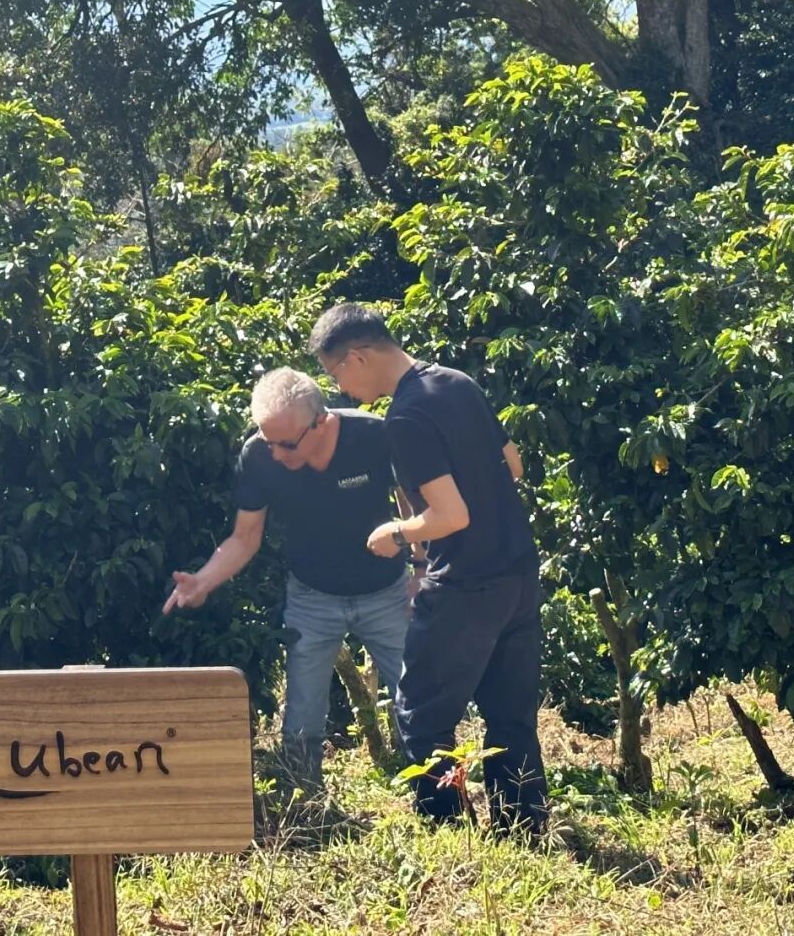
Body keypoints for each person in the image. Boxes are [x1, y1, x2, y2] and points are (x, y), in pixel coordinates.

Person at [309, 304, 547, 837]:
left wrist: (396, 533)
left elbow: (450, 515)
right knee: (511, 715)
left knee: (421, 715)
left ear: (357, 358)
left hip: (465, 582)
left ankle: (449, 834)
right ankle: (522, 830)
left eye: (335, 373)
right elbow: (513, 466)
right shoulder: (457, 382)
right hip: (516, 571)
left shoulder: (407, 416)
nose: (340, 389)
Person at [163, 366, 414, 783]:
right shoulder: (259, 456)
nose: (276, 454)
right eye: (268, 441)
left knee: (419, 703)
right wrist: (202, 581)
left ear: (321, 421)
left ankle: (438, 800)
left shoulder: (373, 435)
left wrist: (422, 570)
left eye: (286, 444)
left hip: (387, 591)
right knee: (301, 719)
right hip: (311, 597)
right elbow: (245, 537)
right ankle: (304, 804)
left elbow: (413, 502)